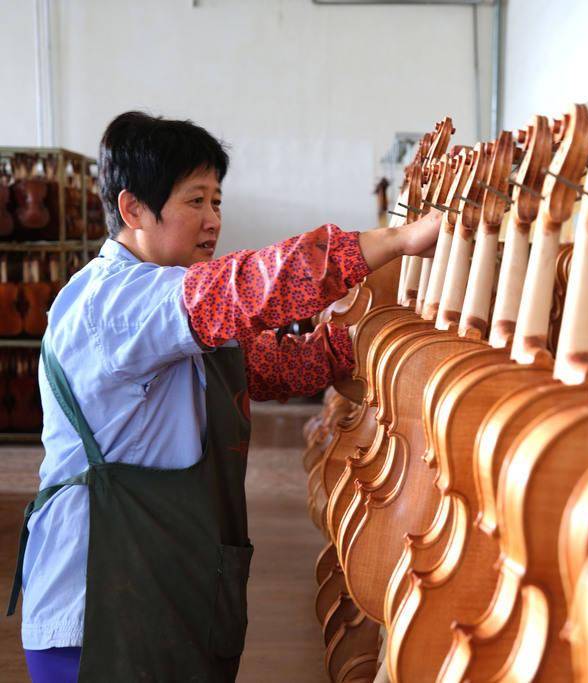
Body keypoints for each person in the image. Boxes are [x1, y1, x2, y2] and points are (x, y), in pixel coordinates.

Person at [7, 111, 441, 682]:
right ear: (133, 208)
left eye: (217, 201)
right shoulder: (114, 303)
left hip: (158, 598)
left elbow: (274, 365)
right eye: (195, 201)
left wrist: (384, 343)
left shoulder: (170, 309)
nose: (212, 219)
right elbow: (246, 288)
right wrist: (397, 240)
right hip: (95, 617)